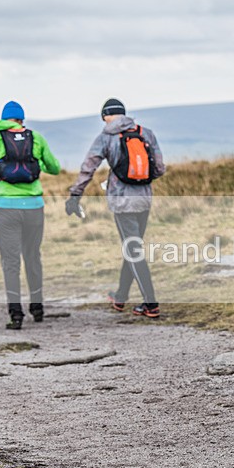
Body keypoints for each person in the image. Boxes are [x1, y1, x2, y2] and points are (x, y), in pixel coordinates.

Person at [66, 98, 165, 318]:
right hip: (144, 199)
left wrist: (75, 194)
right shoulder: (146, 133)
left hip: (122, 201)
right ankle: (120, 296)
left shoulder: (106, 137)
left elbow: (88, 168)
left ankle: (151, 304)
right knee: (133, 248)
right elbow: (159, 169)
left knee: (133, 250)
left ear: (106, 116)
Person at [0, 101, 61, 329]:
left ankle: (16, 314)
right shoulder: (36, 137)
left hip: (6, 206)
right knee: (33, 256)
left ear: (4, 118)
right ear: (22, 119)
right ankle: (38, 307)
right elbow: (54, 167)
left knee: (10, 261)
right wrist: (38, 162)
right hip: (34, 205)